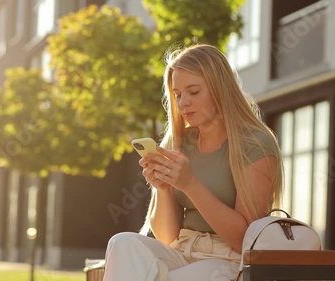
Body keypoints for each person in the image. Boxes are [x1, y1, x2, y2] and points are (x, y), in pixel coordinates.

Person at [103, 44, 284, 281]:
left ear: (220, 89)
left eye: (194, 92)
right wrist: (164, 188)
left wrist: (190, 184)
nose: (182, 103)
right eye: (177, 95)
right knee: (122, 243)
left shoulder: (254, 144)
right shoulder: (179, 142)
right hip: (182, 252)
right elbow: (168, 237)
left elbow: (244, 241)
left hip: (228, 260)